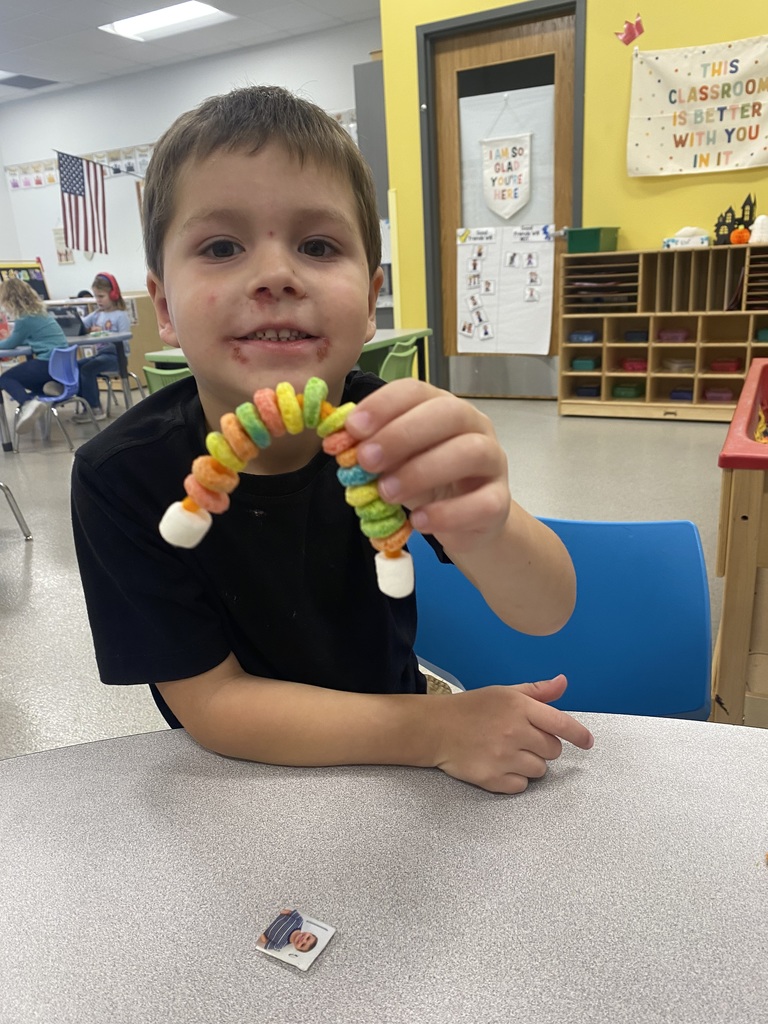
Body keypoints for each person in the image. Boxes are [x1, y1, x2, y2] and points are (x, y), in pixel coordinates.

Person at [71, 85, 593, 795]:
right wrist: (440, 730)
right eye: (221, 246)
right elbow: (214, 703)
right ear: (163, 307)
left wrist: (490, 525)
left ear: (371, 293)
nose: (276, 276)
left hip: (402, 767)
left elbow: (546, 609)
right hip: (240, 781)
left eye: (318, 245)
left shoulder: (395, 433)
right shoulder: (121, 475)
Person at [0, 277, 68, 432]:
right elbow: (29, 338)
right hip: (59, 366)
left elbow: (11, 344)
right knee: (23, 376)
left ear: (9, 300)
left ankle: (27, 405)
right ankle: (49, 387)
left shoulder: (24, 319)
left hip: (46, 364)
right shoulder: (40, 314)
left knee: (5, 378)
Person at [74, 272, 131, 422]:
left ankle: (95, 409)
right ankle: (87, 406)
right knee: (75, 367)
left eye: (101, 296)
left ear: (113, 294)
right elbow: (80, 324)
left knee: (87, 369)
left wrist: (104, 333)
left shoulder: (120, 315)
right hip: (100, 355)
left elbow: (125, 340)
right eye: (96, 296)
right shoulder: (97, 314)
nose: (98, 300)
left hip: (116, 357)